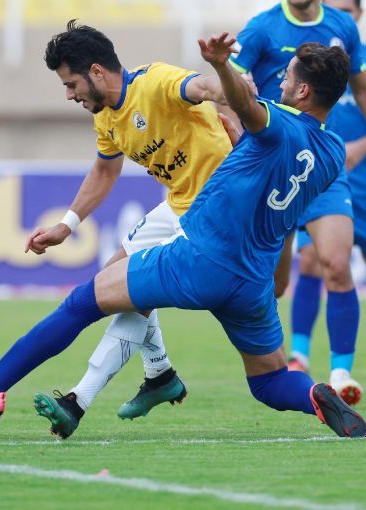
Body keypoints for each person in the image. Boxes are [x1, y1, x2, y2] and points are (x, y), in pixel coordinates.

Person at [0, 35, 366, 439]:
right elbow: (274, 172)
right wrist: (244, 141)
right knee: (270, 380)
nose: (280, 82)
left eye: (287, 77)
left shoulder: (275, 122)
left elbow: (244, 103)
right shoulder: (333, 154)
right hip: (252, 281)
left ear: (303, 91)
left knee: (81, 304)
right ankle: (313, 394)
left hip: (200, 258)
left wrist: (220, 65)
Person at [24, 20, 240, 439]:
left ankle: (77, 401)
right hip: (178, 202)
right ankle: (160, 373)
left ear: (96, 71)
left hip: (214, 211)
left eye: (71, 84)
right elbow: (105, 171)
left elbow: (203, 87)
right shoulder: (106, 116)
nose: (69, 95)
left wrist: (229, 83)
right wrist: (66, 226)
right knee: (112, 278)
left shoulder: (155, 82)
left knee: (130, 291)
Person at [229, 0, 366, 405]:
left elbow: (364, 90)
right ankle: (281, 362)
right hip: (273, 167)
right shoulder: (261, 28)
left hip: (324, 165)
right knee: (275, 284)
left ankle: (341, 373)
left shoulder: (344, 28)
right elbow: (228, 90)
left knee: (336, 264)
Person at [289, 0, 366, 382]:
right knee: (311, 261)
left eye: (348, 9)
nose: (341, 16)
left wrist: (362, 147)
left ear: (359, 15)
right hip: (321, 177)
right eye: (334, 8)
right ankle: (299, 355)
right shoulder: (311, 64)